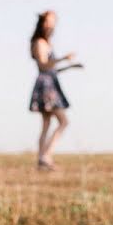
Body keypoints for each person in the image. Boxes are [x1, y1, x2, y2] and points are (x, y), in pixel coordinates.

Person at [29, 10, 80, 170]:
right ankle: (45, 156)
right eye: (50, 21)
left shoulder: (45, 43)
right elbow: (44, 65)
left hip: (49, 81)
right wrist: (64, 58)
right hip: (46, 86)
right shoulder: (39, 43)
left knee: (46, 124)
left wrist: (70, 66)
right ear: (43, 23)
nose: (53, 25)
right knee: (63, 121)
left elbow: (51, 69)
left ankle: (42, 160)